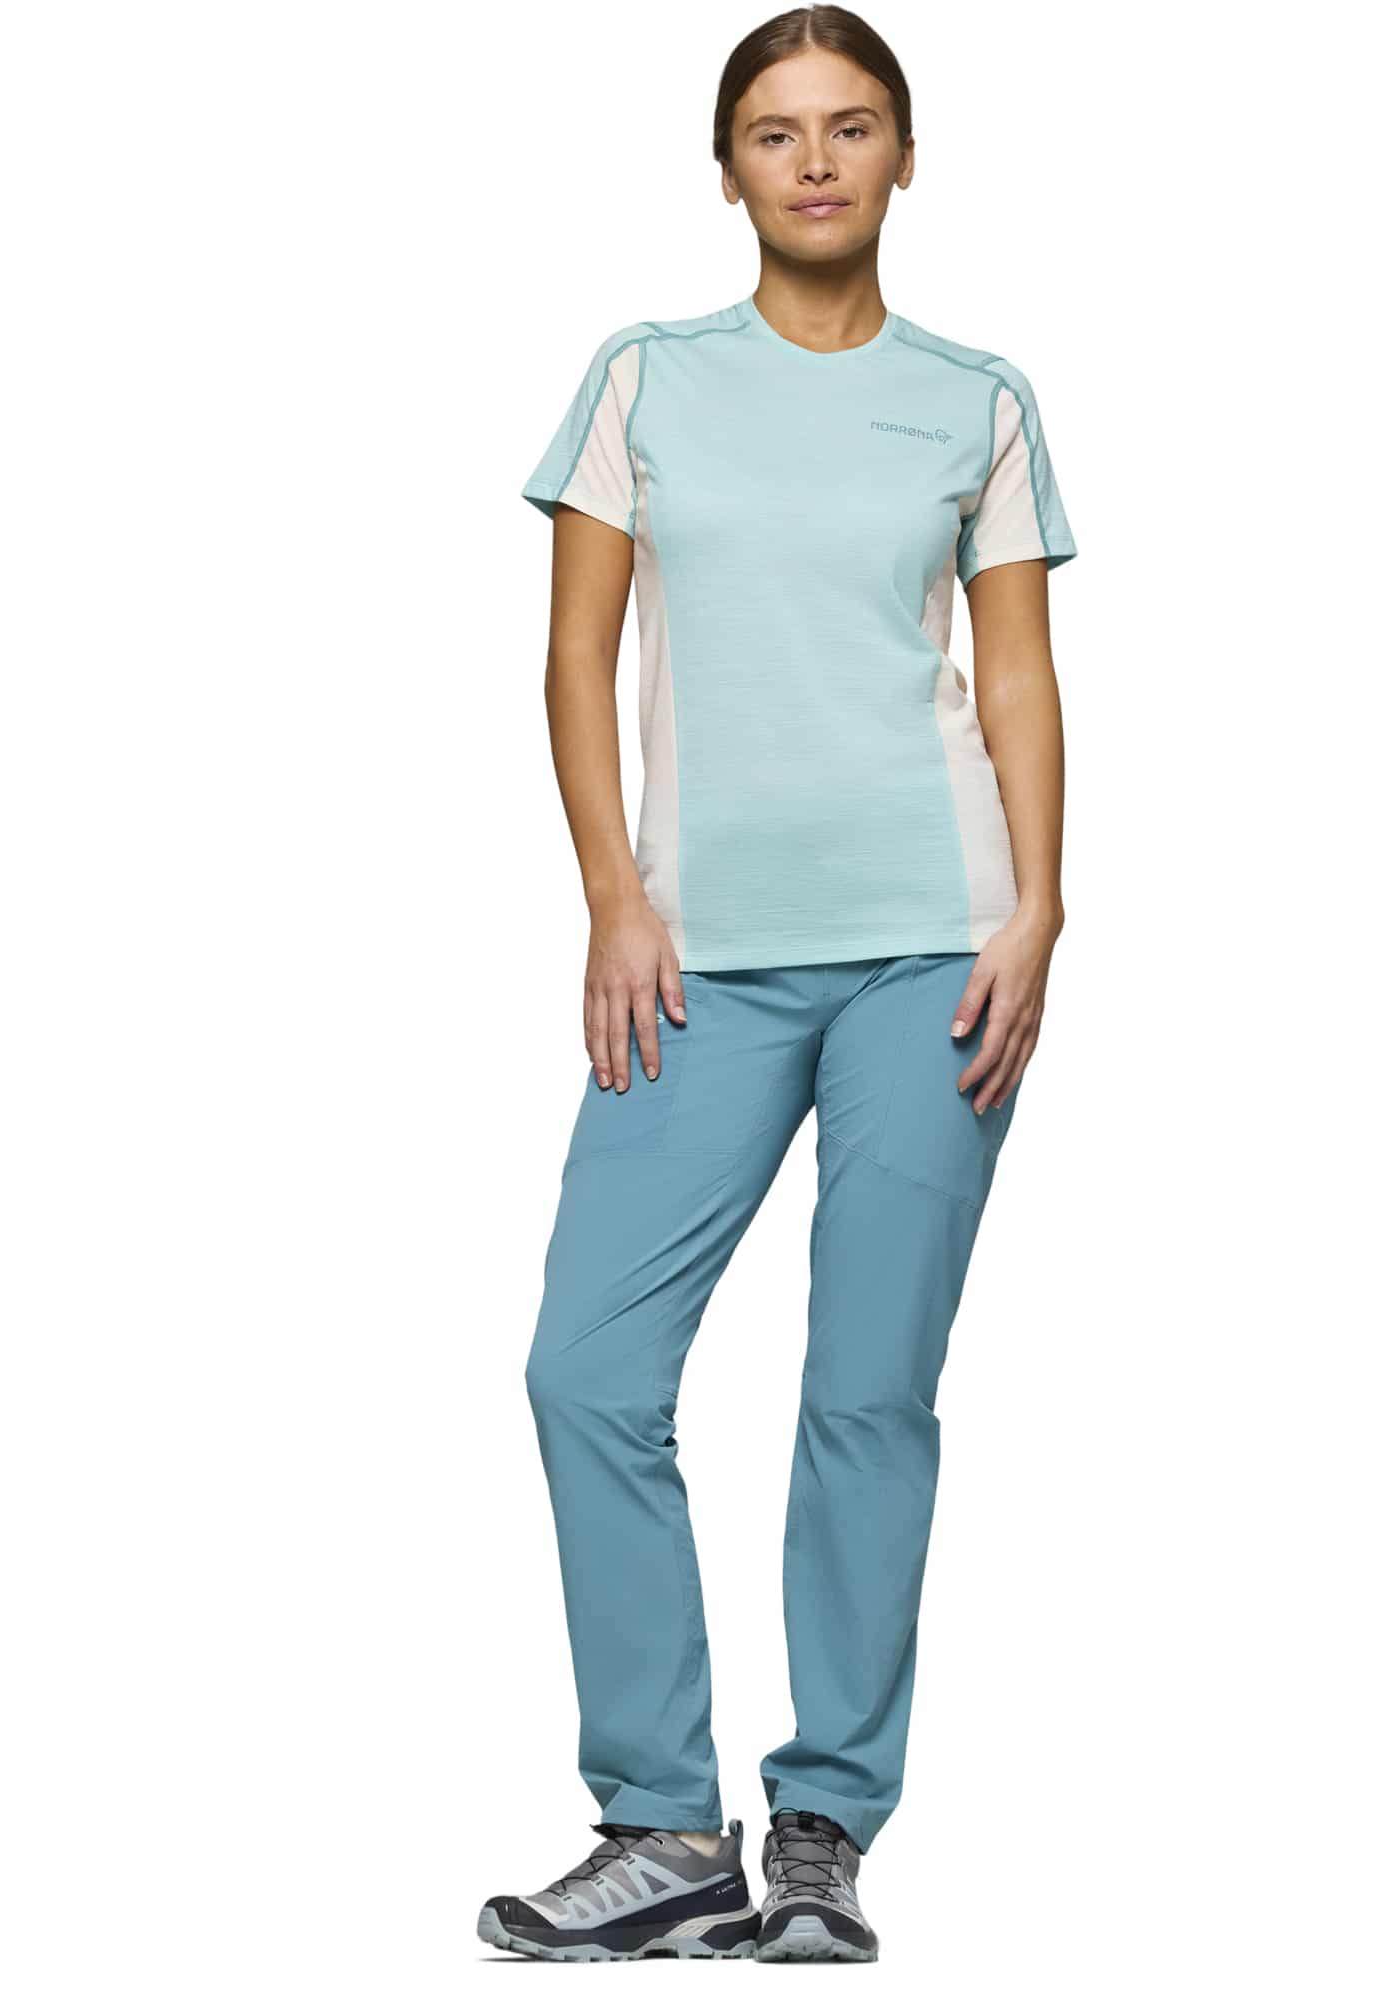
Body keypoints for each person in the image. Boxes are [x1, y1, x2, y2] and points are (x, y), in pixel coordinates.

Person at [478, 5, 1076, 1965]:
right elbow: (574, 658)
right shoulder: (644, 378)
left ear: (905, 154)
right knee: (588, 1368)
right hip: (698, 958)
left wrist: (1037, 911)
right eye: (773, 130)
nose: (814, 160)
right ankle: (661, 1827)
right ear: (726, 166)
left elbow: (1012, 673)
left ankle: (822, 1826)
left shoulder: (977, 399)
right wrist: (610, 897)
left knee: (867, 1389)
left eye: (850, 125)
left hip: (935, 948)